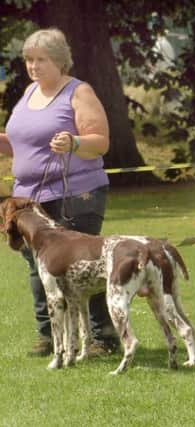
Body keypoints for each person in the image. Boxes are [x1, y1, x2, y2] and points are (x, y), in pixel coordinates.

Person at [0, 28, 118, 356]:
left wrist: (74, 142)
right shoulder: (28, 93)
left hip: (75, 195)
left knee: (84, 265)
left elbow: (100, 141)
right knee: (36, 266)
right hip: (28, 198)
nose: (33, 66)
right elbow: (22, 144)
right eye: (28, 60)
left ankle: (102, 337)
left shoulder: (78, 92)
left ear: (60, 61)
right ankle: (49, 335)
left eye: (41, 60)